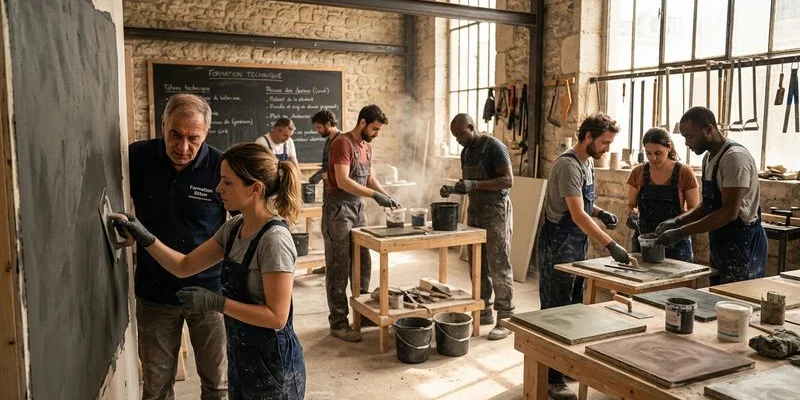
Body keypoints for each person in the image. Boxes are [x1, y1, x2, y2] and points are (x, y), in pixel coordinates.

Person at [115, 143, 306, 399]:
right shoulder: (235, 227)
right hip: (242, 355)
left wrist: (216, 302)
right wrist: (146, 237)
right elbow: (184, 266)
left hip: (273, 364)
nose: (218, 189)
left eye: (227, 182)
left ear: (255, 188)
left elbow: (276, 317)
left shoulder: (274, 240)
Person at [129, 93, 228, 400]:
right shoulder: (137, 157)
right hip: (155, 293)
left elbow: (245, 225)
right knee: (156, 387)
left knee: (217, 385)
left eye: (193, 138)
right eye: (175, 135)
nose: (183, 148)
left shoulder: (221, 166)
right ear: (163, 125)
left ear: (206, 134)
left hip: (209, 293)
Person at [537, 113, 632, 400]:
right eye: (604, 142)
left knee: (574, 306)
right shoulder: (568, 165)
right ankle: (551, 379)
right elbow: (576, 214)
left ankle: (563, 365)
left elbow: (583, 204)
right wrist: (610, 244)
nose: (607, 148)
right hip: (559, 241)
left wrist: (601, 212)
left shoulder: (588, 162)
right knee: (556, 312)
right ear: (588, 137)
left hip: (576, 241)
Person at [656, 106, 767, 284]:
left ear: (708, 130)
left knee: (737, 304)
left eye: (690, 137)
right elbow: (708, 205)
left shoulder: (734, 158)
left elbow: (729, 212)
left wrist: (681, 232)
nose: (686, 143)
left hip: (742, 243)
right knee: (718, 300)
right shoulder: (709, 158)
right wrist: (678, 221)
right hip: (721, 242)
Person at [324, 104, 401, 342]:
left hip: (358, 208)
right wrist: (374, 196)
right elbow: (344, 181)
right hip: (339, 209)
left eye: (379, 130)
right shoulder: (342, 143)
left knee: (363, 262)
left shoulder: (366, 146)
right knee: (339, 265)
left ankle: (362, 313)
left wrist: (386, 195)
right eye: (375, 129)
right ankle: (338, 322)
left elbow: (368, 177)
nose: (376, 134)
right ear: (362, 123)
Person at [439, 113, 515, 341]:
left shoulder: (494, 147)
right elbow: (470, 186)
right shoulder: (466, 152)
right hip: (476, 212)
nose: (458, 140)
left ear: (472, 127)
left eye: (460, 135)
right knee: (477, 264)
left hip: (495, 212)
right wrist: (454, 189)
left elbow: (508, 180)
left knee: (498, 263)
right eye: (455, 137)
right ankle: (483, 310)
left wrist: (475, 184)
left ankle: (506, 317)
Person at [626, 127, 699, 262]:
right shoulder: (638, 172)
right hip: (645, 240)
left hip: (676, 240)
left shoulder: (684, 172)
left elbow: (695, 209)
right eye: (648, 153)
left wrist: (675, 223)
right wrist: (633, 214)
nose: (653, 158)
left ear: (669, 148)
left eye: (658, 153)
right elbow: (632, 204)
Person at [308, 110, 342, 274]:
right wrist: (320, 174)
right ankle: (329, 264)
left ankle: (335, 267)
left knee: (335, 231)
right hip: (328, 192)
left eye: (319, 127)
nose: (317, 131)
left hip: (338, 194)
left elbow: (344, 171)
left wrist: (322, 175)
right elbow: (328, 166)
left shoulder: (341, 141)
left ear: (328, 124)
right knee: (326, 229)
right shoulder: (329, 141)